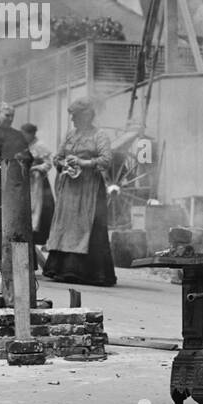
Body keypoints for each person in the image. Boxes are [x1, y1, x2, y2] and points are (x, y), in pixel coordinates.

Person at [43, 99, 115, 287]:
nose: (72, 119)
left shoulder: (99, 135)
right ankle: (60, 268)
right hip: (69, 188)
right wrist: (63, 163)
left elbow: (106, 160)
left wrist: (83, 163)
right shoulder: (70, 135)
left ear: (86, 116)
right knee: (66, 224)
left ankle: (84, 271)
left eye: (75, 115)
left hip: (89, 189)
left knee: (85, 225)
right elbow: (57, 157)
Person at [20, 122, 55, 245]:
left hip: (38, 182)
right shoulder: (23, 145)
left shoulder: (40, 146)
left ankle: (39, 236)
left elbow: (48, 163)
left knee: (39, 209)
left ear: (32, 134)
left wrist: (36, 169)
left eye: (26, 134)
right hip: (26, 181)